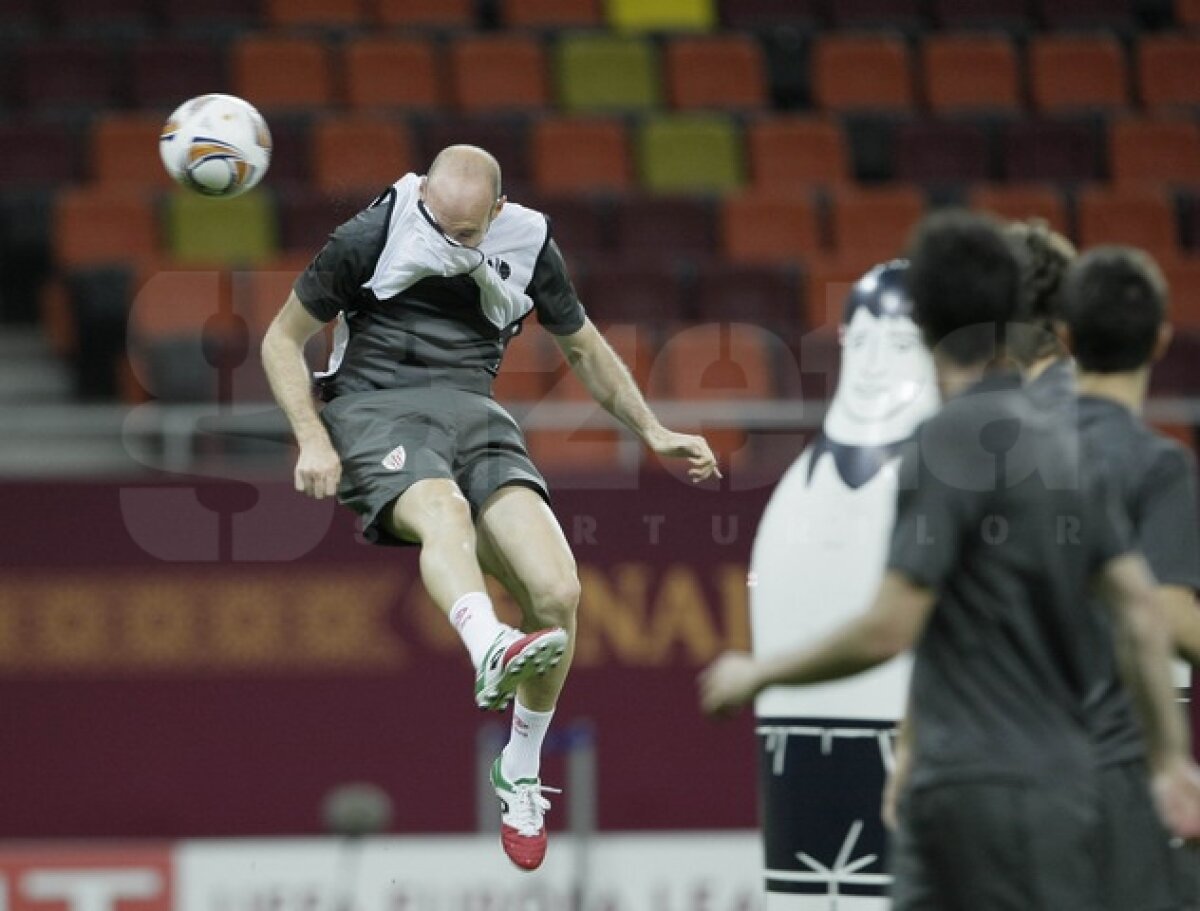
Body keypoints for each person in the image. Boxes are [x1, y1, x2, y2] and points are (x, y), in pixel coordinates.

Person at [698, 210, 1200, 909]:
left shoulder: (948, 443)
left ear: (927, 324)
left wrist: (760, 673)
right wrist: (1171, 759)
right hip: (1065, 789)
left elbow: (892, 627)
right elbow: (1143, 613)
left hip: (969, 790)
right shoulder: (1066, 444)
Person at [262, 145, 721, 871]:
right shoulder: (370, 234)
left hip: (474, 414)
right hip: (375, 407)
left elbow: (586, 350)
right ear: (423, 194)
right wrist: (312, 438)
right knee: (442, 510)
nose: (449, 241)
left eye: (466, 233)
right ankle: (487, 646)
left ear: (498, 211)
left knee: (559, 593)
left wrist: (654, 430)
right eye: (438, 224)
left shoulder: (530, 242)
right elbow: (281, 339)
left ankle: (520, 767)